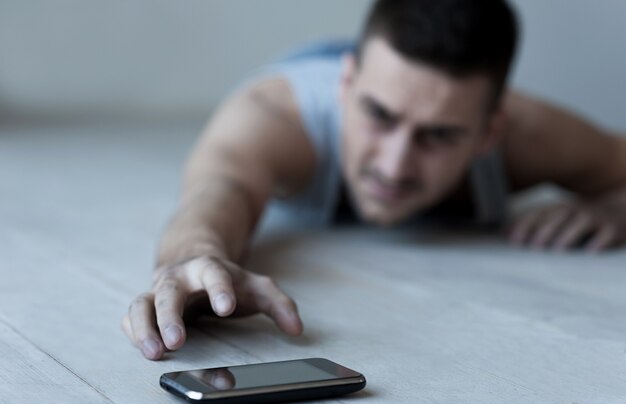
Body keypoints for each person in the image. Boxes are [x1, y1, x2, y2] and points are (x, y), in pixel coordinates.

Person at [123, 0, 626, 360]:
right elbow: (220, 187)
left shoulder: (529, 133)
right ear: (346, 83)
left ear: (489, 133)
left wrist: (616, 206)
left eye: (438, 135)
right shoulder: (272, 116)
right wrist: (195, 257)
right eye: (379, 116)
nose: (394, 164)